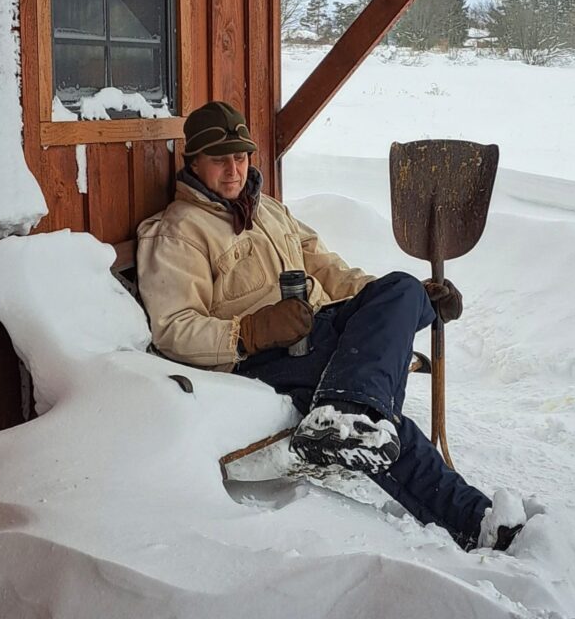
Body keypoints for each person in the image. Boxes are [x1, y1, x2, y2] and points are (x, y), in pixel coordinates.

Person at [137, 100, 521, 551]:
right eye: (220, 159)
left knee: (400, 288)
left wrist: (410, 300)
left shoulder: (269, 211)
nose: (233, 170)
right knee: (376, 414)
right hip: (263, 361)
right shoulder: (179, 233)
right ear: (194, 162)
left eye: (240, 157)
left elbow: (331, 270)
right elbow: (173, 329)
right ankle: (473, 520)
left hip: (316, 331)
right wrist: (249, 331)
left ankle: (350, 412)